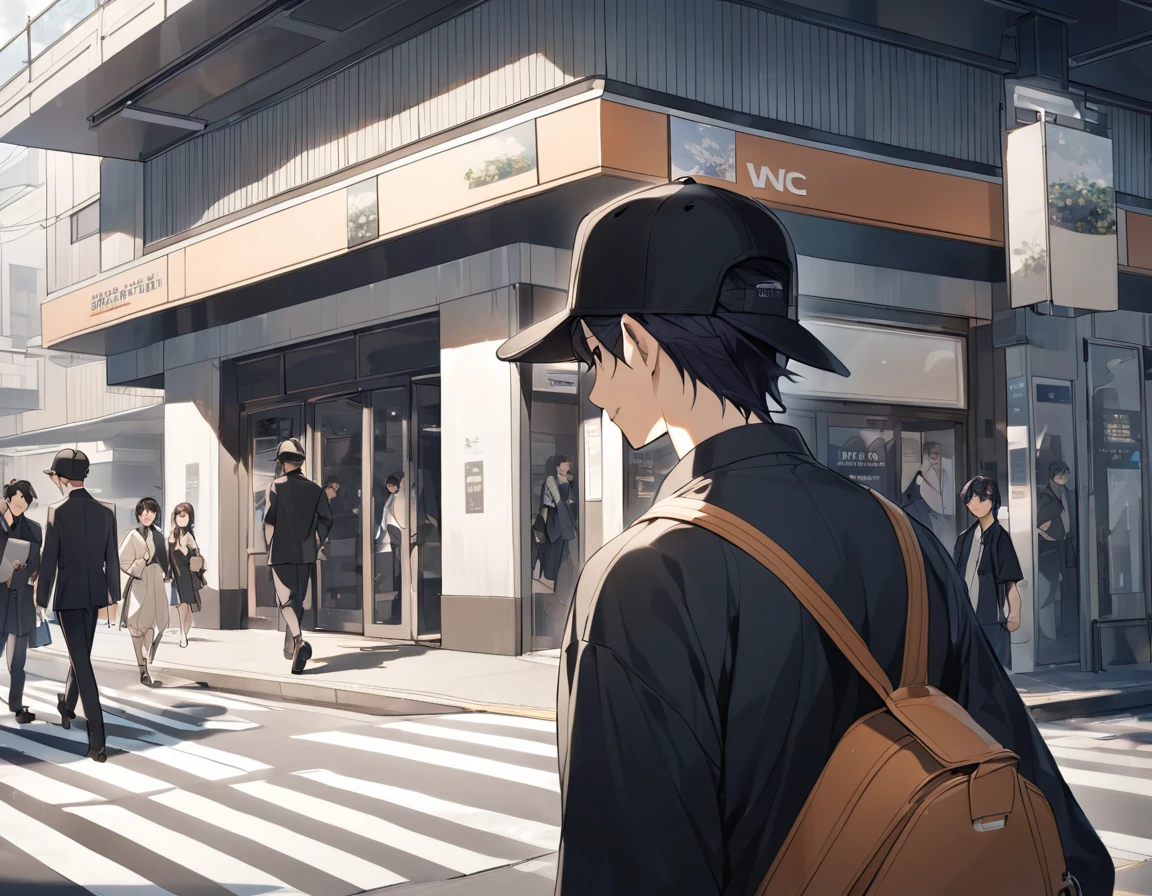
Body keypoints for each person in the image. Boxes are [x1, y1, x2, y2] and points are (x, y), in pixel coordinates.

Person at [495, 179, 1110, 894]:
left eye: (595, 358)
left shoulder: (643, 578)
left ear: (638, 343)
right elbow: (1069, 852)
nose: (597, 391)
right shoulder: (908, 543)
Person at [36, 448, 119, 763]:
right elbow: (111, 560)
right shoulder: (106, 511)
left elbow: (49, 564)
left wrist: (41, 599)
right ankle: (67, 706)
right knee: (79, 654)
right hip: (95, 595)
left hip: (68, 596)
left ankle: (98, 738)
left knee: (82, 664)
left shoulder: (56, 512)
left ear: (61, 477)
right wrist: (114, 593)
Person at [264, 438, 333, 673]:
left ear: (282, 462)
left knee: (285, 600)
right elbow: (327, 519)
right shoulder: (315, 488)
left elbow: (269, 521)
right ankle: (295, 653)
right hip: (305, 553)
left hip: (281, 550)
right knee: (298, 599)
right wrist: (315, 541)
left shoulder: (276, 486)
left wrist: (268, 545)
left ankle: (298, 640)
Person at [953, 476, 1023, 670]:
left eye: (980, 499)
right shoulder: (964, 538)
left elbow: (1010, 582)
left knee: (992, 670)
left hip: (991, 619)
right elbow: (955, 580)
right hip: (966, 619)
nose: (974, 504)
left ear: (992, 501)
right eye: (970, 499)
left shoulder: (1000, 537)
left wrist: (1015, 614)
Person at [0, 480, 41, 724]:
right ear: (9, 496)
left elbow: (37, 566)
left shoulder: (34, 530)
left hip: (21, 600)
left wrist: (24, 570)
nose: (22, 502)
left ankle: (16, 706)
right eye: (19, 496)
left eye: (26, 499)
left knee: (18, 661)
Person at [119, 497, 170, 686]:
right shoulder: (132, 535)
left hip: (156, 581)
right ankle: (142, 668)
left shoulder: (159, 534)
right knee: (136, 624)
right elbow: (123, 561)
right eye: (145, 511)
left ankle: (145, 666)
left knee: (151, 623)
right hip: (140, 582)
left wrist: (167, 573)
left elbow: (164, 558)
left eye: (152, 511)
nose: (148, 514)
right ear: (139, 514)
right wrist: (142, 562)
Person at [1038, 461, 1077, 639]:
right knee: (1054, 586)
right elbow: (1039, 523)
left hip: (1067, 542)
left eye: (1066, 474)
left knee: (1068, 584)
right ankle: (1053, 631)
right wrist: (1051, 537)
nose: (1063, 478)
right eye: (1060, 474)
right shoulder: (1046, 496)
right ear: (1051, 476)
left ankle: (1068, 627)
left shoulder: (1068, 494)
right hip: (1052, 547)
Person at [167, 503, 204, 649]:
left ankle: (184, 633)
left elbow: (194, 554)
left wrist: (183, 548)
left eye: (184, 515)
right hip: (176, 576)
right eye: (179, 515)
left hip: (187, 575)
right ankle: (183, 633)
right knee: (181, 605)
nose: (181, 518)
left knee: (186, 605)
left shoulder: (189, 536)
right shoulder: (172, 534)